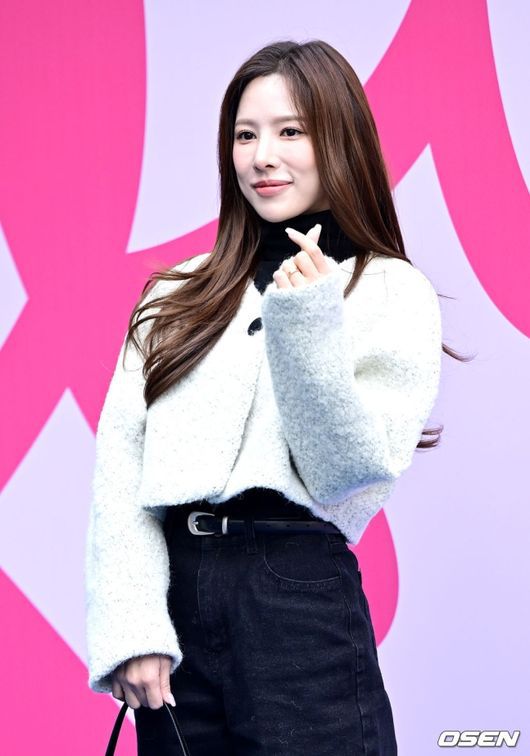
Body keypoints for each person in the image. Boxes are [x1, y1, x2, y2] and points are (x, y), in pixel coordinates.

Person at [85, 39, 446, 755]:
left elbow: (345, 474)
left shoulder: (391, 291)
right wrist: (132, 626)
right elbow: (121, 470)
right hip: (178, 605)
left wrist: (306, 321)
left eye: (291, 131)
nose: (262, 157)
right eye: (245, 135)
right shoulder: (175, 294)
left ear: (340, 141)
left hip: (297, 594)